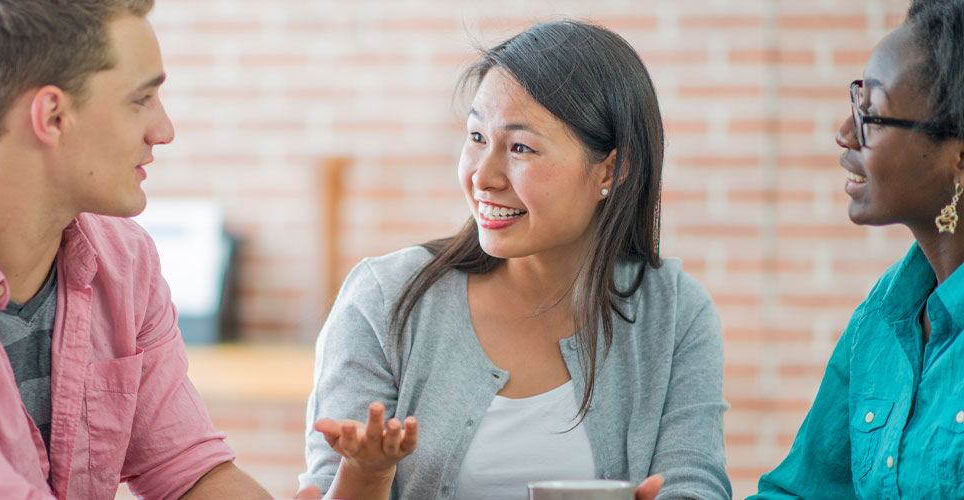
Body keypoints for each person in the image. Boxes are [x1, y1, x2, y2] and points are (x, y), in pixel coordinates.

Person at [300, 20, 732, 500]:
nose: (482, 176)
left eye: (520, 147)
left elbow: (693, 486)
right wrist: (366, 473)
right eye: (476, 137)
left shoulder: (674, 312)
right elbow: (324, 487)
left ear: (613, 169)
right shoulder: (384, 299)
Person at [0, 1, 275, 498]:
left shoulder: (125, 262)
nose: (164, 131)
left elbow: (189, 471)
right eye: (141, 99)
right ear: (53, 115)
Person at [750, 0, 964, 498]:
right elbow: (801, 492)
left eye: (872, 115)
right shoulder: (883, 317)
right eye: (855, 103)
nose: (845, 134)